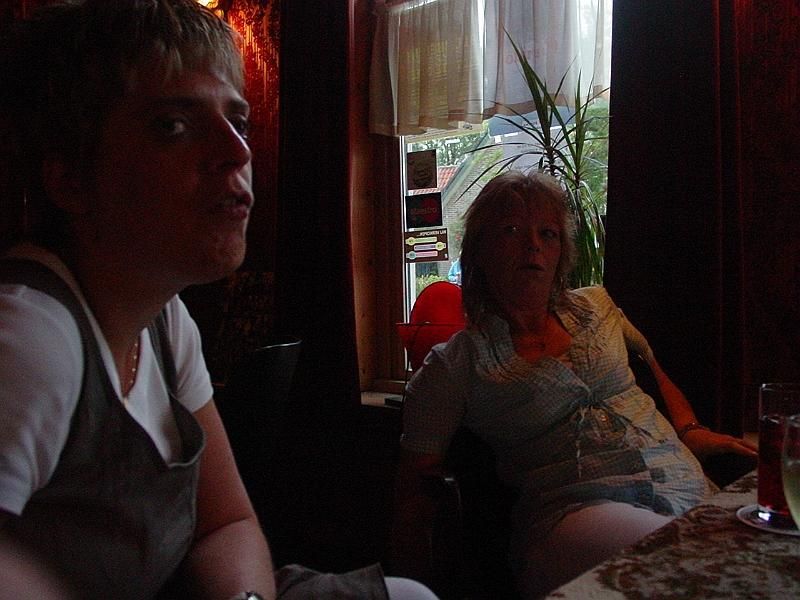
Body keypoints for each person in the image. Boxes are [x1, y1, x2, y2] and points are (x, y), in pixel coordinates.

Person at [0, 2, 436, 599]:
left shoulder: (163, 318)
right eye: (172, 125)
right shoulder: (29, 335)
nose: (238, 152)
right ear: (70, 177)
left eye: (240, 122)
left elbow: (226, 523)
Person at [391, 171, 757, 598]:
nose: (533, 246)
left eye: (547, 234)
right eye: (511, 230)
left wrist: (691, 429)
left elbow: (651, 366)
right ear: (480, 250)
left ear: (561, 252)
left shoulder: (597, 306)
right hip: (580, 511)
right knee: (692, 569)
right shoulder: (456, 364)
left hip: (686, 486)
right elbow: (415, 487)